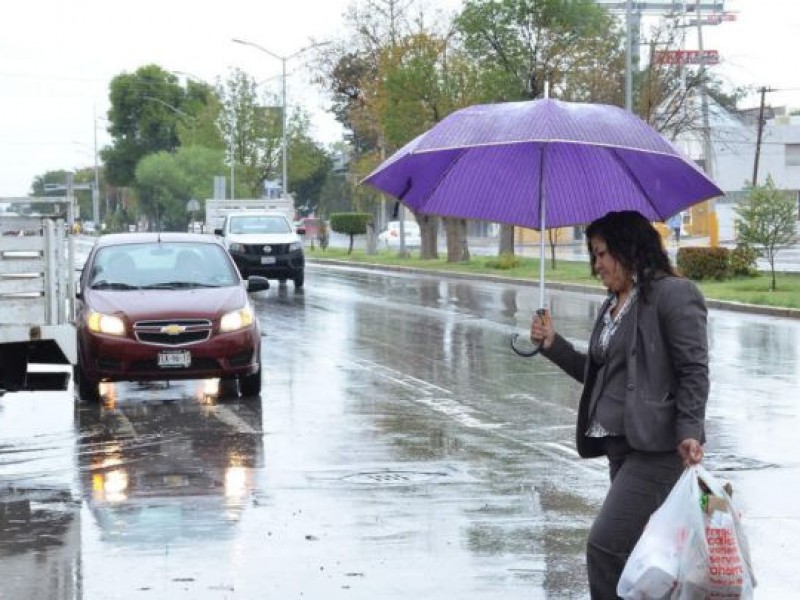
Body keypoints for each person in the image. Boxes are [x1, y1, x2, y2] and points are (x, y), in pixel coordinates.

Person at [530, 210, 708, 599]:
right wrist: (552, 345)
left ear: (629, 249)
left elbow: (693, 369)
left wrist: (690, 430)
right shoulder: (613, 305)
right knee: (637, 556)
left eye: (601, 254)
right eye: (593, 256)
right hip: (619, 448)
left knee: (604, 546)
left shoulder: (673, 294)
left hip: (657, 449)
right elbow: (598, 377)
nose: (596, 265)